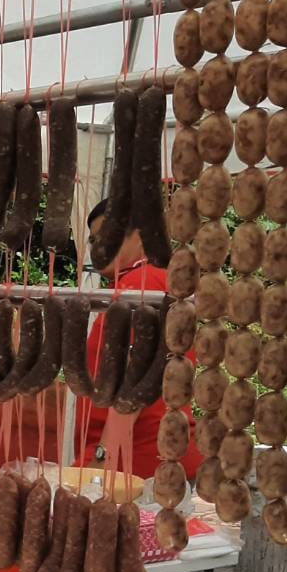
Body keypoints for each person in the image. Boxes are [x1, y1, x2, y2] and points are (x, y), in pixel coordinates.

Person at [78, 199, 201, 478]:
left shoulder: (140, 285)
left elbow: (133, 382)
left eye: (109, 236)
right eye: (93, 239)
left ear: (141, 235)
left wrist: (103, 455)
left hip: (134, 460)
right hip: (156, 455)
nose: (99, 247)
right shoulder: (152, 281)